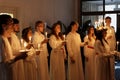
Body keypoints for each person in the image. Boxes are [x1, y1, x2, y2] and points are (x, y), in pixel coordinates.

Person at [0, 14, 14, 80]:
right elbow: (4, 62)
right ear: (3, 26)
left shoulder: (5, 38)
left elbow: (9, 57)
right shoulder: (1, 39)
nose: (12, 26)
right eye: (10, 24)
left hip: (8, 71)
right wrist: (19, 57)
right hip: (3, 73)